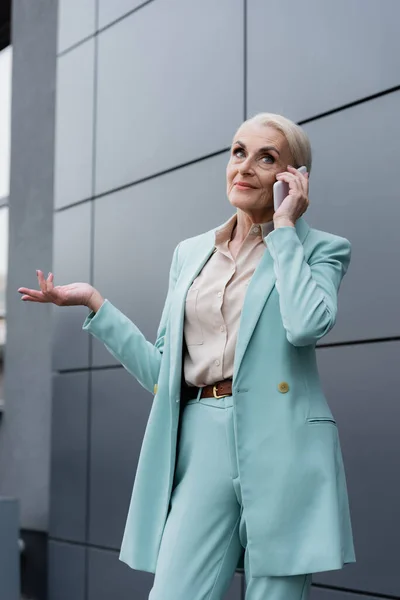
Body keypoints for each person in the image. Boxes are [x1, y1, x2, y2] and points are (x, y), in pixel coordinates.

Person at [18, 112, 356, 600]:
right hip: (203, 439)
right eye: (239, 151)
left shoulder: (321, 249)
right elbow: (163, 375)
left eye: (267, 158)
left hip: (286, 442)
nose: (244, 167)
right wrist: (96, 304)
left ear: (295, 179)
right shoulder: (191, 253)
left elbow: (306, 326)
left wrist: (284, 229)